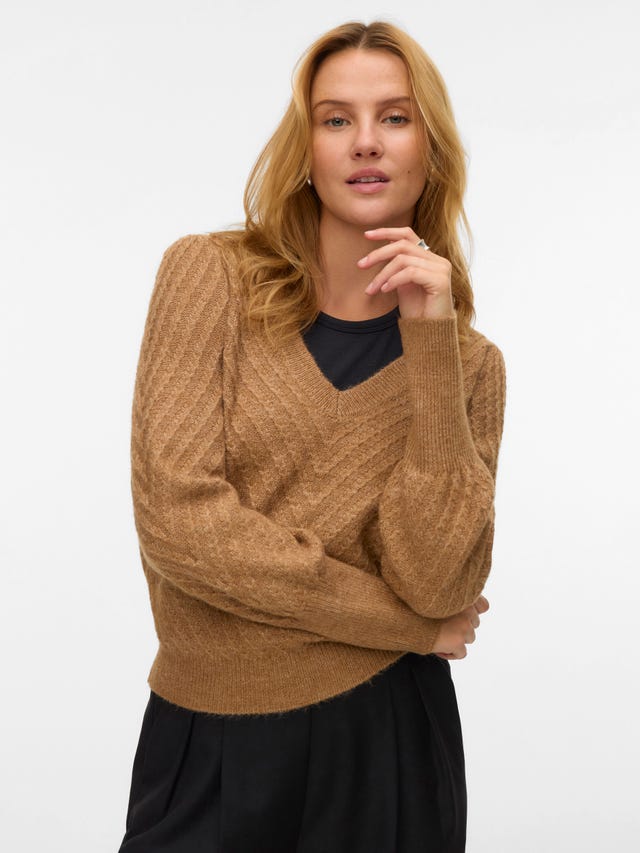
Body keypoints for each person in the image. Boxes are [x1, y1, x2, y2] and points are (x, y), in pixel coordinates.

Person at [117, 19, 506, 853]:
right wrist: (406, 627)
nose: (366, 141)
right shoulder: (209, 278)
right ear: (306, 148)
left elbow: (438, 580)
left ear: (432, 149)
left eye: (395, 117)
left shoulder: (468, 365)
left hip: (392, 744)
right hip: (208, 733)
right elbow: (180, 523)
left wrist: (430, 341)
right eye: (336, 119)